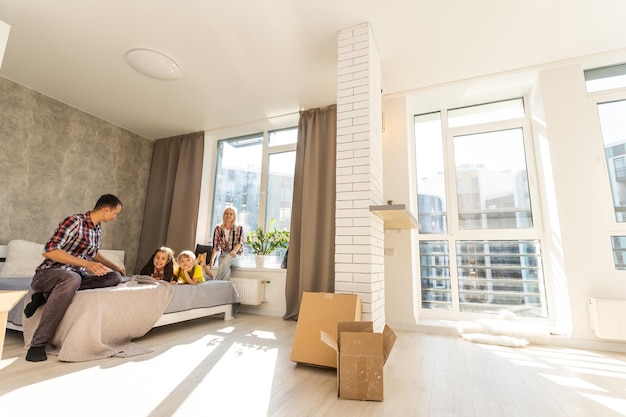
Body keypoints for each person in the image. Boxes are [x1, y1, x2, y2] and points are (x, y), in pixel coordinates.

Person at [23, 194, 126, 362]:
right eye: (115, 213)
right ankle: (37, 344)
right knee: (72, 278)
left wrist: (114, 267)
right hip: (49, 273)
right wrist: (86, 264)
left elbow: (93, 254)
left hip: (76, 276)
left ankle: (43, 297)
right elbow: (50, 250)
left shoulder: (97, 228)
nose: (116, 217)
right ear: (106, 209)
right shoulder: (74, 222)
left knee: (113, 278)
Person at [208, 207, 244, 281]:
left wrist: (234, 251)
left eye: (231, 214)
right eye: (226, 213)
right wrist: (212, 259)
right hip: (223, 255)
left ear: (234, 216)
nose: (228, 215)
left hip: (236, 256)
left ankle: (215, 281)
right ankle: (223, 291)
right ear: (223, 215)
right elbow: (216, 246)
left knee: (228, 256)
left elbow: (240, 242)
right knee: (225, 275)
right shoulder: (218, 229)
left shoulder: (239, 228)